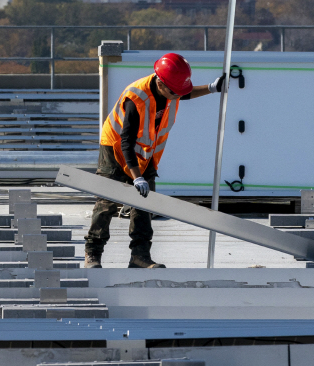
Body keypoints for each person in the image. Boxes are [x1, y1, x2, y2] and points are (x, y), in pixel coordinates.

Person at [83, 53, 226, 269]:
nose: (176, 96)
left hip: (145, 151)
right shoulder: (136, 99)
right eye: (173, 92)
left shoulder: (170, 89)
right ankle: (93, 253)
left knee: (144, 204)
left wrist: (211, 88)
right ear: (161, 83)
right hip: (115, 149)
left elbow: (183, 94)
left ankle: (140, 257)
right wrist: (136, 177)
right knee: (106, 202)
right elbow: (126, 143)